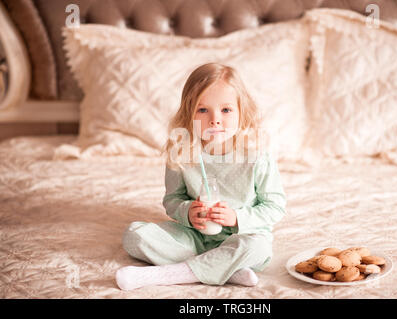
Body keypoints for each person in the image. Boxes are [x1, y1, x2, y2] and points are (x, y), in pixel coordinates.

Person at [115, 63, 286, 290]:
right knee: (134, 235)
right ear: (189, 113)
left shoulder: (256, 156)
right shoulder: (182, 152)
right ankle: (226, 270)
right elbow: (172, 199)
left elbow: (275, 206)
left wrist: (236, 217)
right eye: (203, 110)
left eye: (226, 110)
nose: (215, 120)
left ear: (241, 111)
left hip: (243, 236)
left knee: (258, 249)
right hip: (195, 237)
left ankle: (171, 274)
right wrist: (188, 212)